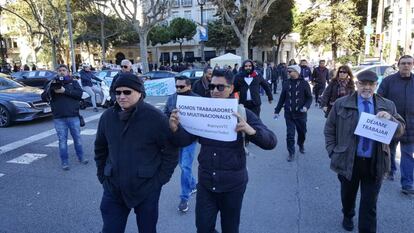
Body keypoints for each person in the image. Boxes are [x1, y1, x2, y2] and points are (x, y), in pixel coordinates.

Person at [169, 69, 277, 233]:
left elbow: (271, 142)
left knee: (230, 228)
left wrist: (251, 131)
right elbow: (185, 140)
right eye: (212, 87)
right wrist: (175, 129)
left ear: (231, 87)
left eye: (220, 87)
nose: (214, 91)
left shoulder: (241, 112)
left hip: (232, 184)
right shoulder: (202, 112)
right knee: (203, 228)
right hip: (206, 183)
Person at [95, 73, 179, 233]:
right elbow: (100, 149)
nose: (121, 96)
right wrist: (103, 176)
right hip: (113, 188)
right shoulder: (107, 117)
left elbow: (171, 151)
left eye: (127, 92)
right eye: (117, 92)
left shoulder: (155, 117)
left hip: (146, 188)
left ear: (139, 92)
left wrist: (159, 181)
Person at [324, 70, 405, 233]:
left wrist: (391, 119)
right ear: (357, 84)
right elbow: (329, 129)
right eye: (363, 84)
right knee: (348, 196)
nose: (366, 87)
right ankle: (348, 214)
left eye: (371, 84)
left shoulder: (387, 105)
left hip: (375, 162)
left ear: (376, 85)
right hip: (348, 160)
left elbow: (400, 130)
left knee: (369, 204)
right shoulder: (341, 103)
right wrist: (333, 152)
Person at [377, 55, 414, 194]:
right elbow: (379, 99)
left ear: (412, 65)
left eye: (409, 63)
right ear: (398, 65)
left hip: (411, 125)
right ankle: (390, 170)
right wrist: (383, 113)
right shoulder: (388, 81)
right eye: (403, 63)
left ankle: (407, 184)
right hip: (391, 122)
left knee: (408, 154)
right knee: (390, 151)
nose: (406, 66)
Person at [41, 65, 88, 170]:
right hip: (59, 118)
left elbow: (80, 94)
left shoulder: (73, 82)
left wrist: (64, 91)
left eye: (64, 70)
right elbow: (43, 97)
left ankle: (81, 157)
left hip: (73, 116)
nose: (62, 72)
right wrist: (51, 90)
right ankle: (65, 162)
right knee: (62, 141)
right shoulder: (51, 83)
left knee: (78, 139)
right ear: (57, 72)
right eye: (59, 71)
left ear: (68, 72)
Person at [164, 76, 199, 213]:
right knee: (182, 165)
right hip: (175, 138)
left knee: (185, 167)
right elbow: (164, 114)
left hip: (190, 139)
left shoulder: (197, 99)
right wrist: (170, 118)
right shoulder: (172, 98)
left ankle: (184, 198)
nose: (178, 89)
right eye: (177, 87)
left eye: (181, 87)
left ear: (189, 86)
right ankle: (193, 184)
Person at [274, 64, 312, 162]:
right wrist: (277, 111)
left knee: (302, 132)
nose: (288, 73)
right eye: (288, 71)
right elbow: (282, 97)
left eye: (290, 71)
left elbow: (309, 98)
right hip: (289, 113)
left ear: (297, 72)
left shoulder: (304, 83)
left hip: (301, 114)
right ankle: (291, 152)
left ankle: (301, 144)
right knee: (290, 134)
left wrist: (305, 107)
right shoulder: (286, 83)